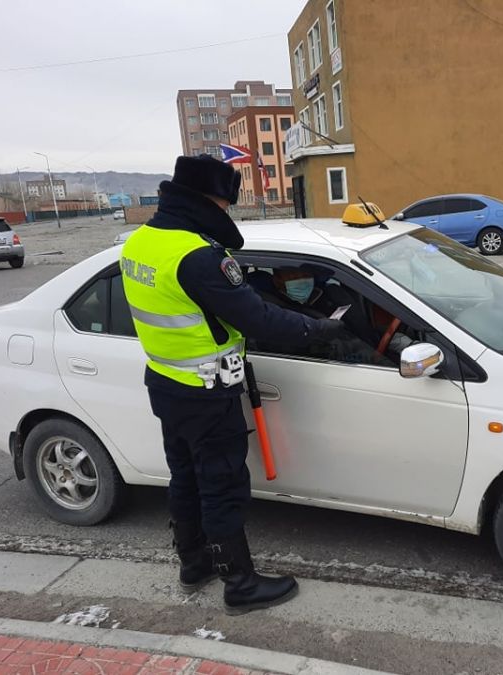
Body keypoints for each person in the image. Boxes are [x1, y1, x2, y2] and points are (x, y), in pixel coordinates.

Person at [120, 154, 345, 615]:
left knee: (185, 477)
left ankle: (193, 563)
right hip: (207, 393)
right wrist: (319, 329)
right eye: (226, 204)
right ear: (209, 199)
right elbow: (258, 319)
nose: (227, 212)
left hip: (166, 382)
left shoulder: (140, 242)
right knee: (222, 485)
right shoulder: (199, 257)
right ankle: (239, 583)